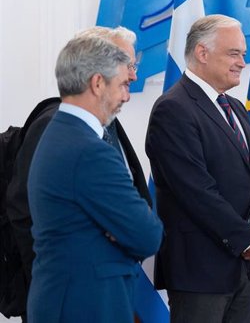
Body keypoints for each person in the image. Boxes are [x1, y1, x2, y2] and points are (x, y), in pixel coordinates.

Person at [5, 26, 153, 321]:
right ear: (95, 73)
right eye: (124, 63)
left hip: (106, 287)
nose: (132, 74)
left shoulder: (105, 120)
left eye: (132, 64)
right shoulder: (55, 126)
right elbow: (22, 210)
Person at [146, 15, 250, 323]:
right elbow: (196, 192)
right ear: (203, 53)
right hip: (200, 274)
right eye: (234, 53)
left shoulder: (236, 108)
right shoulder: (173, 108)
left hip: (244, 273)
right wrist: (249, 240)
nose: (242, 63)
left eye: (243, 54)